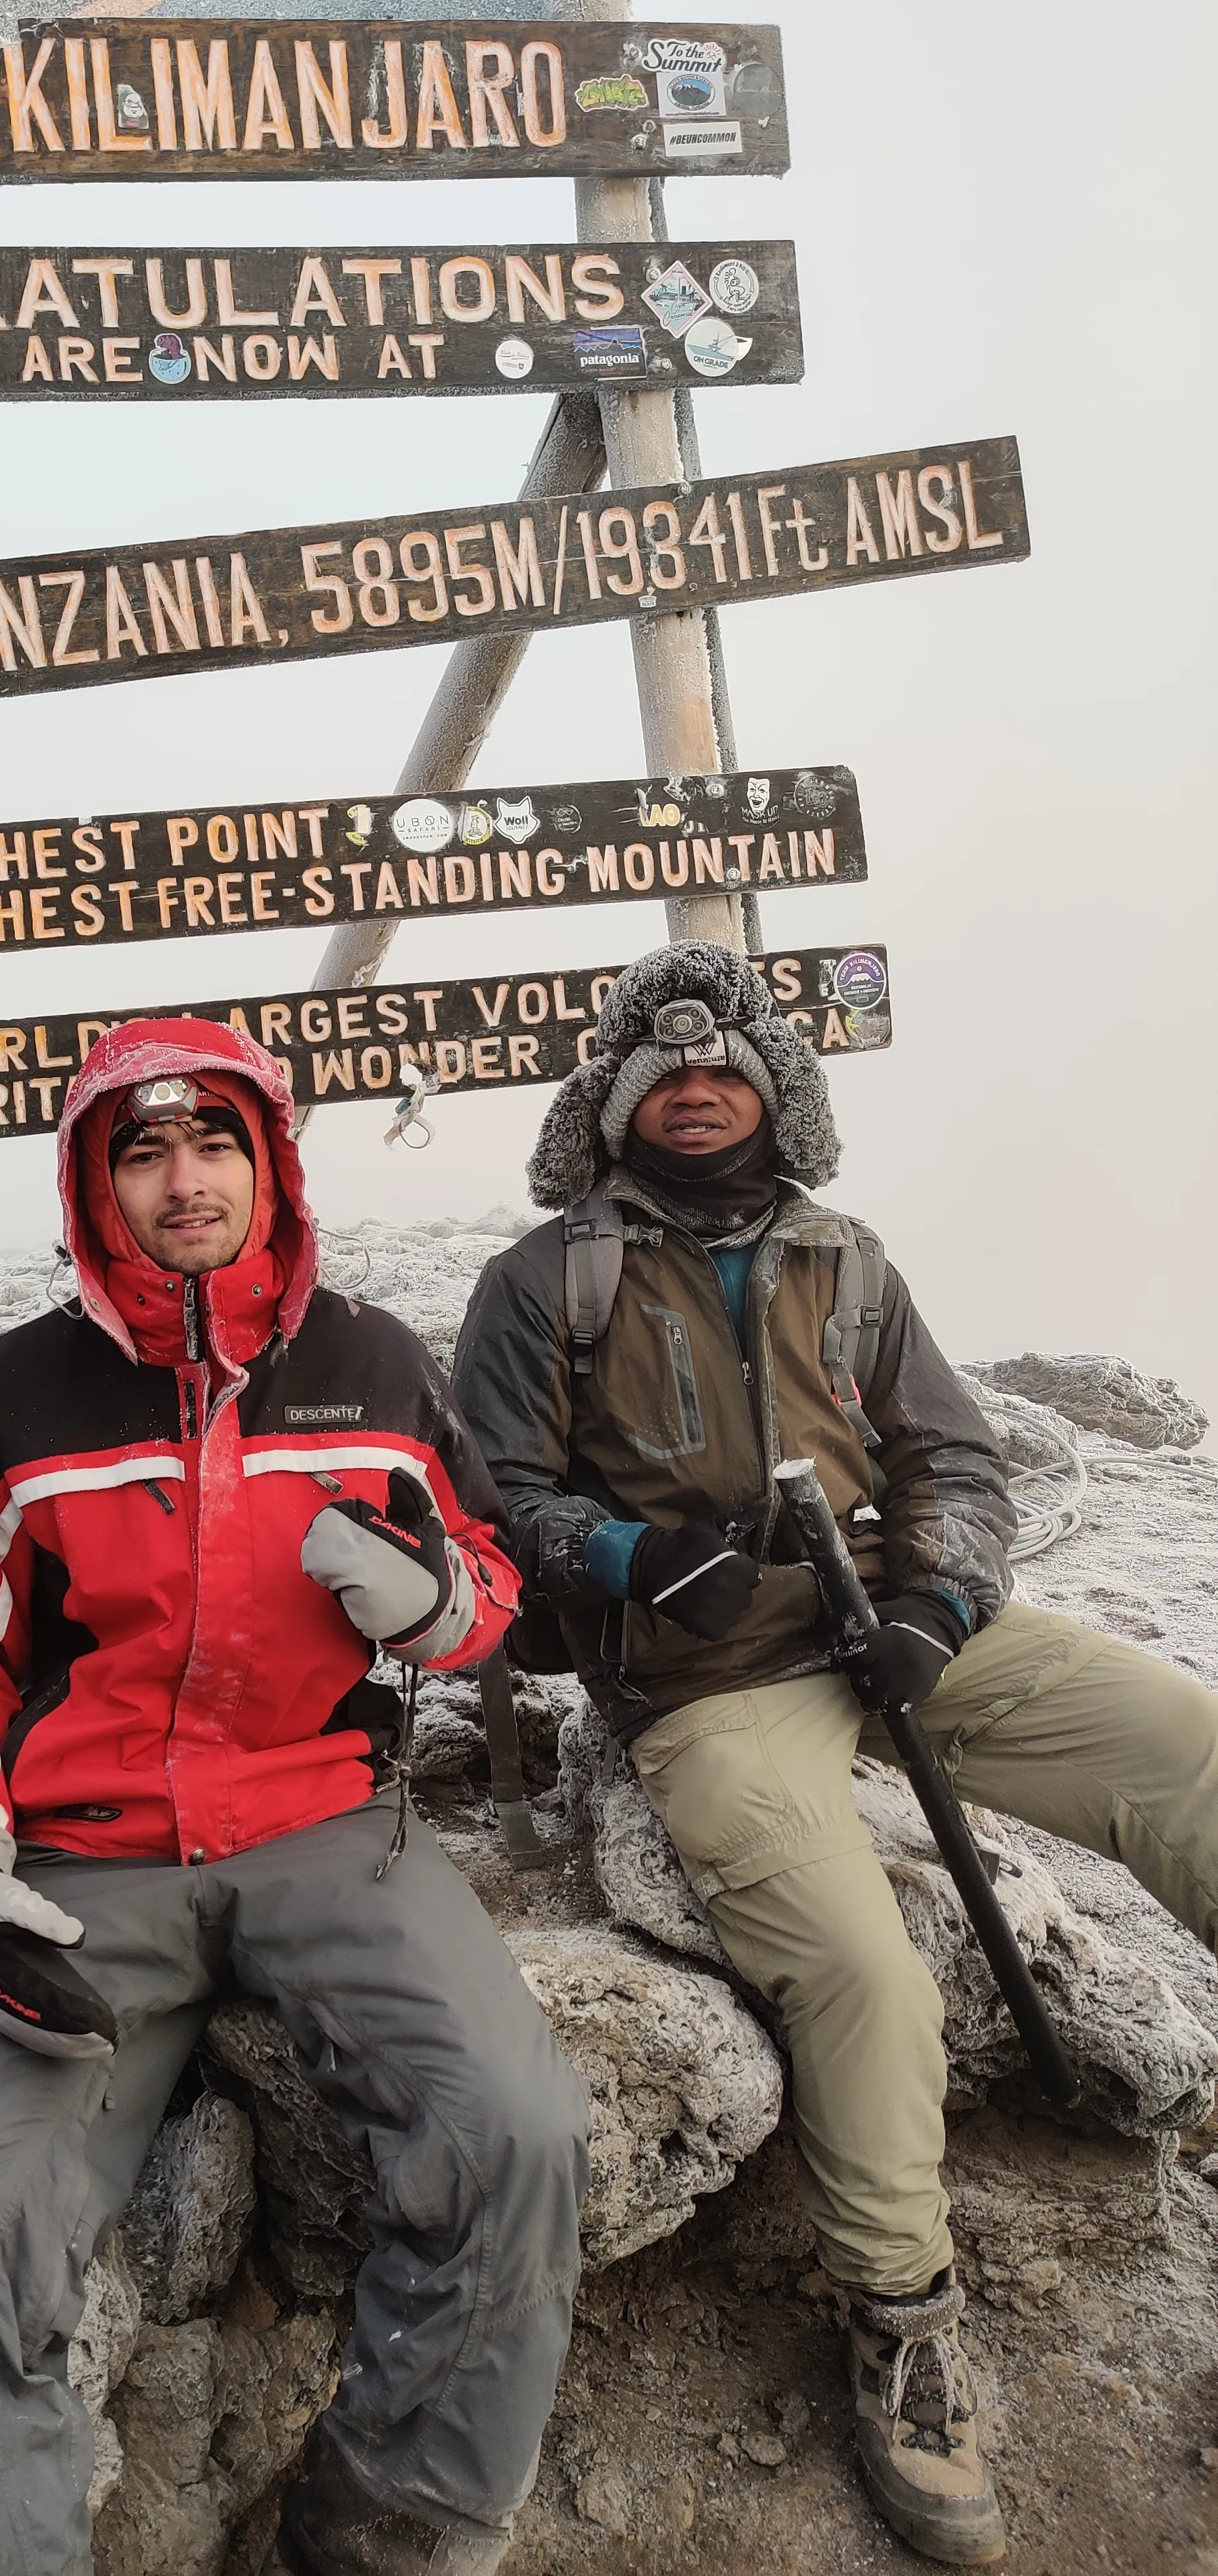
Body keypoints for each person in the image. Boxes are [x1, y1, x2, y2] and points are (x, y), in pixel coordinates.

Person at [451, 938, 1218, 2569]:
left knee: (1184, 1741)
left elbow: (950, 1448)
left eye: (726, 1062)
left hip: (891, 1630)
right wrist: (629, 1560)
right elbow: (494, 1488)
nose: (696, 1084)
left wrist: (940, 1598)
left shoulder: (846, 1255)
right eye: (661, 1071)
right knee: (868, 1967)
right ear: (615, 1100)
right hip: (708, 1677)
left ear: (773, 1088)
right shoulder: (545, 1279)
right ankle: (904, 2311)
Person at [0, 1016, 591, 2576]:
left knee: (514, 2128)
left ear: (270, 1162)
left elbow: (490, 1594)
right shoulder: (13, 1395)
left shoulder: (375, 1365)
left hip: (329, 1824)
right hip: (80, 1860)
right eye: (141, 1149)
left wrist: (427, 1600)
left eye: (213, 1144)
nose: (182, 1180)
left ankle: (393, 2528)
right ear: (92, 1181)